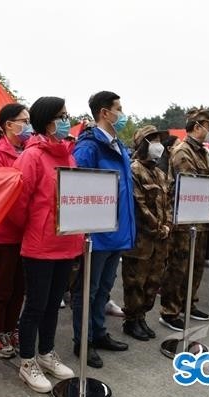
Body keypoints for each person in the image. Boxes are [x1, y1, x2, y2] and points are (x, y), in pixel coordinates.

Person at [11, 96, 80, 393]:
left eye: (66, 115)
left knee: (53, 304)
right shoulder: (32, 156)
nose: (66, 121)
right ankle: (27, 361)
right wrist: (36, 227)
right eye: (61, 116)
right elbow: (18, 203)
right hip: (40, 245)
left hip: (66, 242)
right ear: (47, 120)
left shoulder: (68, 154)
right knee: (36, 305)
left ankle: (46, 353)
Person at [71, 91, 135, 369]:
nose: (122, 114)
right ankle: (82, 341)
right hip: (97, 234)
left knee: (104, 289)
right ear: (104, 113)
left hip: (118, 231)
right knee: (88, 290)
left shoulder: (118, 145)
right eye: (118, 109)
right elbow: (78, 189)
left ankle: (98, 333)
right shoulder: (89, 146)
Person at [159, 106, 209, 330]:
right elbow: (191, 184)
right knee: (179, 267)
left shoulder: (202, 153)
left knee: (196, 266)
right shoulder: (183, 151)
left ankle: (188, 303)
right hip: (184, 219)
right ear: (197, 127)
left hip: (200, 218)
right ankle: (170, 311)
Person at [0, 103, 31, 359]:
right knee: (1, 288)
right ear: (8, 125)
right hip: (4, 231)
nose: (28, 126)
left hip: (27, 231)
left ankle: (11, 328)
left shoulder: (29, 149)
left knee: (19, 286)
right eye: (24, 121)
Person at [121, 125, 171, 341]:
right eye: (154, 140)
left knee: (153, 283)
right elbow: (138, 204)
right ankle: (131, 320)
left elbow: (168, 203)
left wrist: (167, 225)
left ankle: (141, 317)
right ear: (143, 144)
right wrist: (158, 227)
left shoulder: (160, 173)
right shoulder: (133, 170)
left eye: (159, 140)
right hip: (141, 240)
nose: (159, 145)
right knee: (135, 283)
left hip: (160, 240)